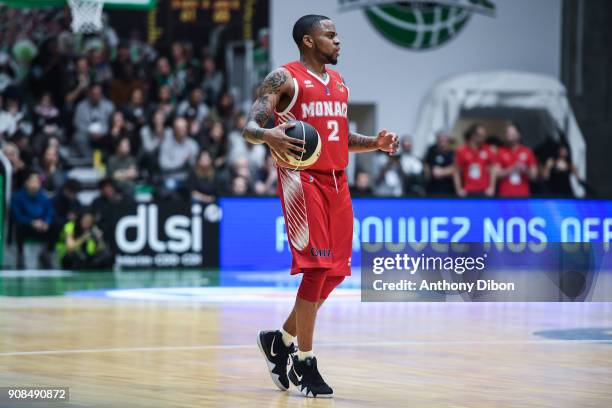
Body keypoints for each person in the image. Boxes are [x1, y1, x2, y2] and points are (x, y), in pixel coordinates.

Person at [242, 15, 398, 398]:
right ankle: (305, 361)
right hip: (302, 180)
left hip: (337, 182)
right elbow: (249, 127)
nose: (338, 41)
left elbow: (339, 137)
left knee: (336, 273)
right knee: (315, 270)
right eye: (330, 36)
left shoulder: (339, 84)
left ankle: (278, 340)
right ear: (309, 41)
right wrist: (268, 135)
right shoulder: (284, 78)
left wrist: (373, 144)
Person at [10, 170, 55, 268]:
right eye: (33, 181)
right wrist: (31, 222)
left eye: (37, 181)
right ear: (26, 182)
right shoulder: (18, 197)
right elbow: (17, 215)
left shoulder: (43, 196)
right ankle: (20, 254)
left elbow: (50, 212)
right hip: (27, 226)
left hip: (42, 227)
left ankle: (47, 253)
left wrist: (46, 222)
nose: (36, 184)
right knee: (19, 227)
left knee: (56, 225)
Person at [453, 124, 496, 197]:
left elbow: (493, 169)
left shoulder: (487, 149)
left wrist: (492, 187)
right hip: (468, 191)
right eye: (480, 135)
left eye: (484, 135)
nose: (483, 137)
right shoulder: (461, 151)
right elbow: (455, 171)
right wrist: (459, 189)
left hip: (484, 191)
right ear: (473, 135)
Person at [496, 123, 538, 197]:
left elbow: (534, 176)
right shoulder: (501, 151)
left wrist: (525, 169)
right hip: (505, 194)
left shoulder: (527, 152)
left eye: (512, 132)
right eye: (507, 132)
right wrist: (512, 169)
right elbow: (497, 175)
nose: (509, 134)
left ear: (519, 135)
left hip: (523, 195)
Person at [423, 131, 455, 196]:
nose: (442, 143)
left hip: (447, 187)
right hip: (432, 186)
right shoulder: (431, 150)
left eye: (444, 140)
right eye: (440, 140)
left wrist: (442, 172)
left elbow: (455, 168)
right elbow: (426, 163)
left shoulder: (452, 152)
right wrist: (428, 173)